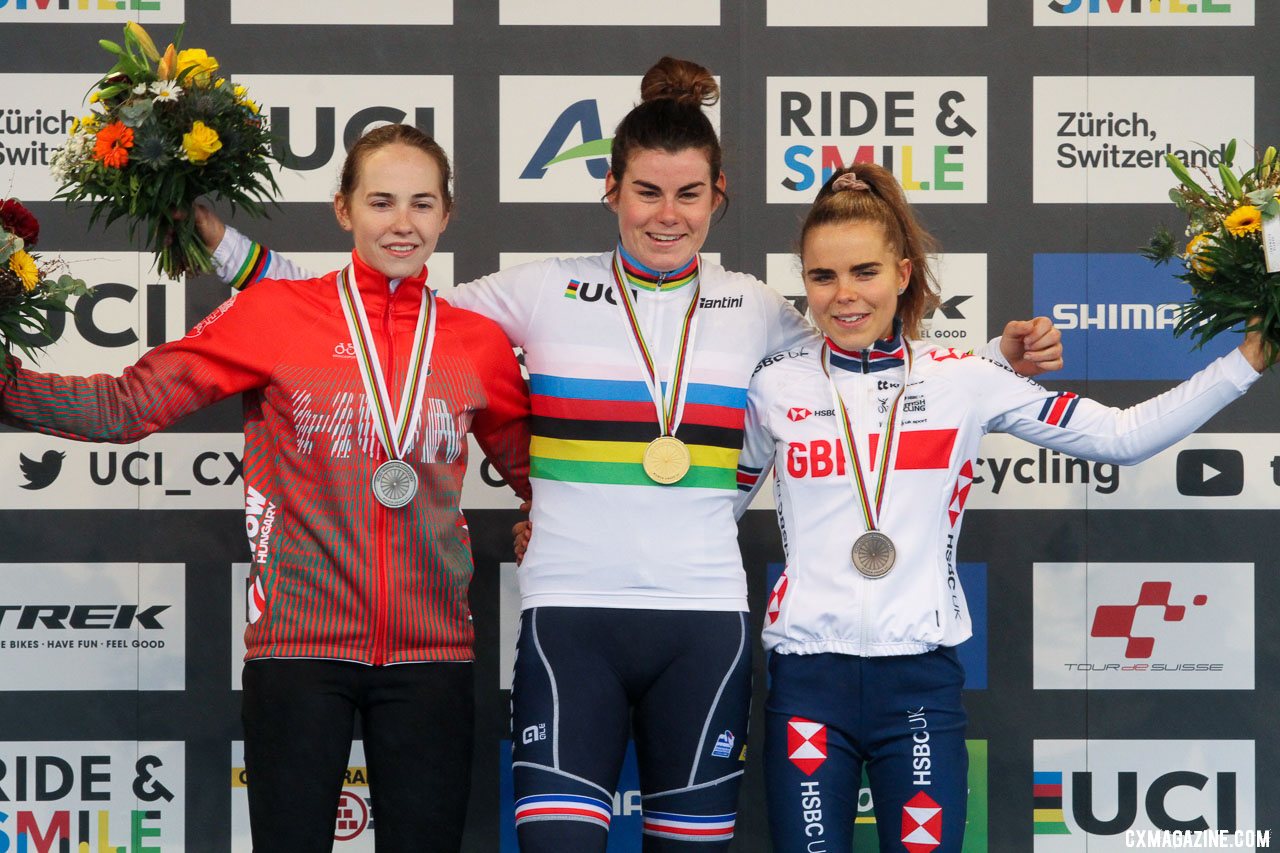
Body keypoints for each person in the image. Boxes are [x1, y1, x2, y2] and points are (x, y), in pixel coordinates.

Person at [200, 59, 1061, 851]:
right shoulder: (538, 289)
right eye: (646, 190)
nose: (667, 214)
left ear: (719, 196)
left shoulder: (755, 305)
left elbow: (860, 363)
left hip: (704, 622)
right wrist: (222, 244)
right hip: (571, 614)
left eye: (689, 193)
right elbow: (379, 310)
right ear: (611, 189)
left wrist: (992, 362)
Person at [1, 124, 532, 852]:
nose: (402, 223)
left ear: (448, 213)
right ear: (342, 208)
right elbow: (129, 404)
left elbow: (541, 471)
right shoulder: (277, 313)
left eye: (421, 203)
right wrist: (10, 388)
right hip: (298, 649)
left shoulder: (477, 342)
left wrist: (555, 522)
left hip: (432, 655)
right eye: (381, 201)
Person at [732, 163, 1267, 853]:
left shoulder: (967, 380)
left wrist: (1247, 361)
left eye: (863, 272)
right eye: (821, 277)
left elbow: (1121, 436)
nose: (843, 296)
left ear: (902, 272)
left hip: (918, 688)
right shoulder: (773, 385)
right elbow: (710, 510)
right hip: (806, 687)